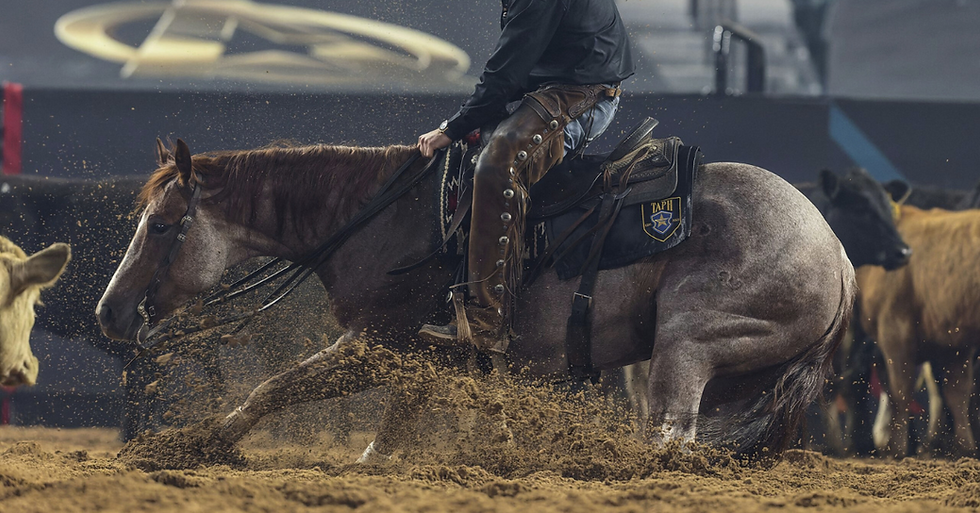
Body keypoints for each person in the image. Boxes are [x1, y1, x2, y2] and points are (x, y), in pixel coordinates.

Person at [417, 0, 634, 354]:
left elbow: (505, 75)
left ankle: (487, 320)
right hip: (559, 88)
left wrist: (452, 128)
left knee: (496, 167)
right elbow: (516, 66)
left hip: (579, 97)